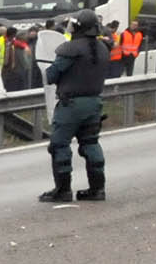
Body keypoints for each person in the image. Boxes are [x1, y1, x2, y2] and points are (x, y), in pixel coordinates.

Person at [41, 12, 109, 203]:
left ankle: (62, 190)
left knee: (59, 145)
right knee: (91, 143)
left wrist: (48, 68)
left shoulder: (71, 49)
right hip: (94, 102)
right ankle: (97, 189)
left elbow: (52, 75)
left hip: (72, 105)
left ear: (79, 27)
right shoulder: (103, 48)